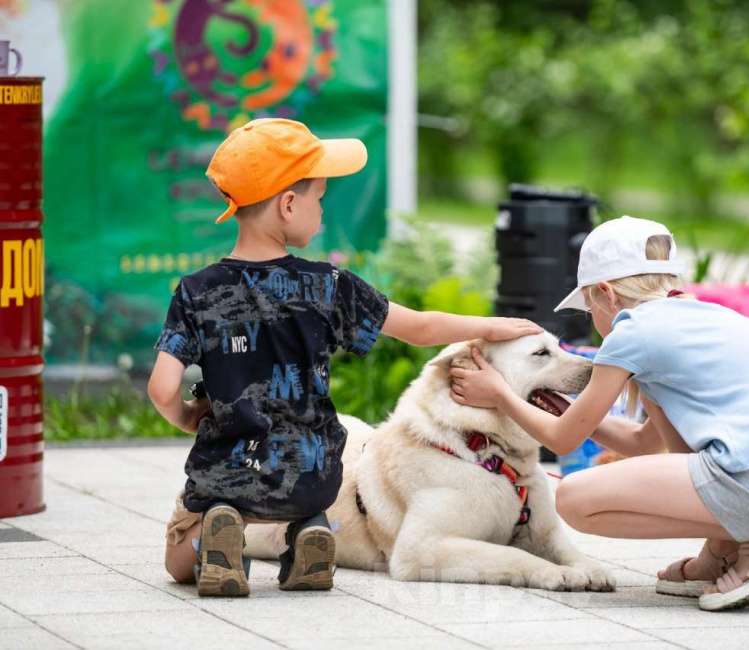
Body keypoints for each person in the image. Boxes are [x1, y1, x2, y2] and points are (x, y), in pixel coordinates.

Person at [147, 118, 541, 597]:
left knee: (178, 558)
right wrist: (489, 326)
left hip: (230, 473)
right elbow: (419, 328)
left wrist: (190, 416)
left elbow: (162, 389)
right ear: (288, 204)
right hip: (314, 475)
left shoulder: (196, 291)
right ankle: (308, 529)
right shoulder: (328, 285)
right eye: (319, 199)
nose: (322, 212)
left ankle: (219, 531)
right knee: (299, 502)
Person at [449, 215, 749, 611]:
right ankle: (726, 548)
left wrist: (499, 393)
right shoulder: (711, 319)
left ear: (606, 293)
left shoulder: (633, 333)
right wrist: (567, 409)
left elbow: (563, 439)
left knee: (574, 499)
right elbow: (644, 444)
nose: (595, 324)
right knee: (682, 456)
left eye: (589, 309)